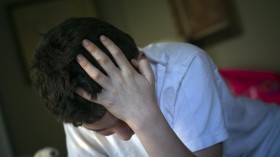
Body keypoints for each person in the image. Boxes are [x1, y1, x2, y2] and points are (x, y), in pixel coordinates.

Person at [31, 17, 280, 157]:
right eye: (106, 132)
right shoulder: (76, 108)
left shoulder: (186, 66)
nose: (127, 136)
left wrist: (142, 114)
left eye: (126, 120)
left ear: (141, 63)